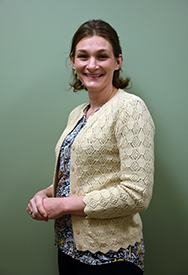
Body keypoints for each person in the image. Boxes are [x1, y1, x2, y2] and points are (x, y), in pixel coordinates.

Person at [27, 19, 155, 275]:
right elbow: (81, 178)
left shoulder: (130, 108)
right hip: (68, 249)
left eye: (102, 56)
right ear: (73, 61)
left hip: (112, 258)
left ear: (117, 62)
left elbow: (137, 193)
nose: (92, 65)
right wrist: (46, 195)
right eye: (83, 56)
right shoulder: (78, 113)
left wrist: (62, 206)